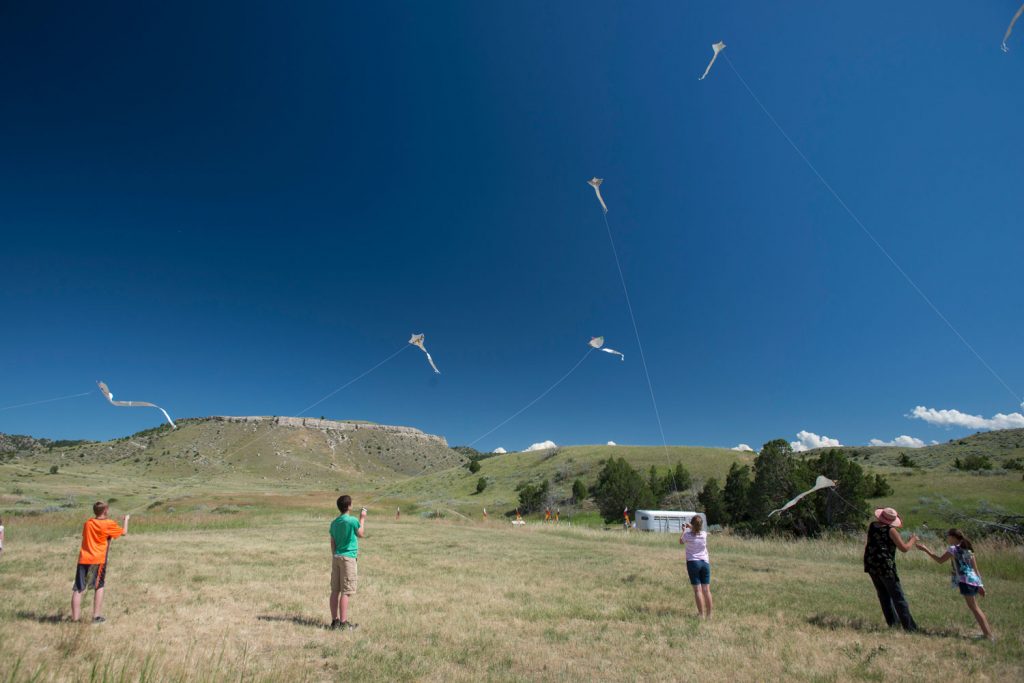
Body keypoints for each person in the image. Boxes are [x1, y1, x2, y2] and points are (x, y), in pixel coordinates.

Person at [917, 529, 994, 640]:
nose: (947, 538)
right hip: (973, 581)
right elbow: (975, 569)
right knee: (975, 607)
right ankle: (987, 634)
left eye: (948, 536)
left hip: (965, 581)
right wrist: (980, 585)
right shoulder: (968, 550)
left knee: (975, 608)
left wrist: (925, 550)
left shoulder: (953, 549)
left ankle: (988, 636)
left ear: (953, 537)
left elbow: (940, 560)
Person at [71, 501, 129, 623]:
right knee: (99, 586)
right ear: (105, 511)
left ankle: (75, 619)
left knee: (78, 588)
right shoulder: (108, 524)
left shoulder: (88, 523)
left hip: (83, 559)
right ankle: (96, 616)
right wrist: (126, 520)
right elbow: (124, 532)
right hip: (98, 560)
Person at [863, 507, 917, 631]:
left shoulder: (872, 525)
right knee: (898, 597)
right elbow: (904, 548)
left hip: (871, 564)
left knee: (883, 595)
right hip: (885, 567)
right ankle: (910, 627)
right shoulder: (891, 530)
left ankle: (893, 624)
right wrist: (912, 540)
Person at [329, 495, 366, 630]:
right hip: (348, 559)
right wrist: (362, 518)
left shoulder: (334, 523)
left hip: (336, 557)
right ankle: (343, 624)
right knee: (346, 591)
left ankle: (335, 622)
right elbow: (361, 533)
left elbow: (332, 542)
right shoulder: (353, 521)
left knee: (335, 590)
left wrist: (334, 555)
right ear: (349, 506)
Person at [679, 515, 712, 619]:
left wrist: (684, 530)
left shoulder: (687, 535)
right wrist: (692, 527)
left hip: (693, 563)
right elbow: (697, 530)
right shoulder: (704, 534)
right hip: (705, 563)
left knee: (698, 590)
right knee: (706, 590)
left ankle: (701, 614)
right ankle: (709, 615)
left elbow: (681, 541)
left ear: (692, 524)